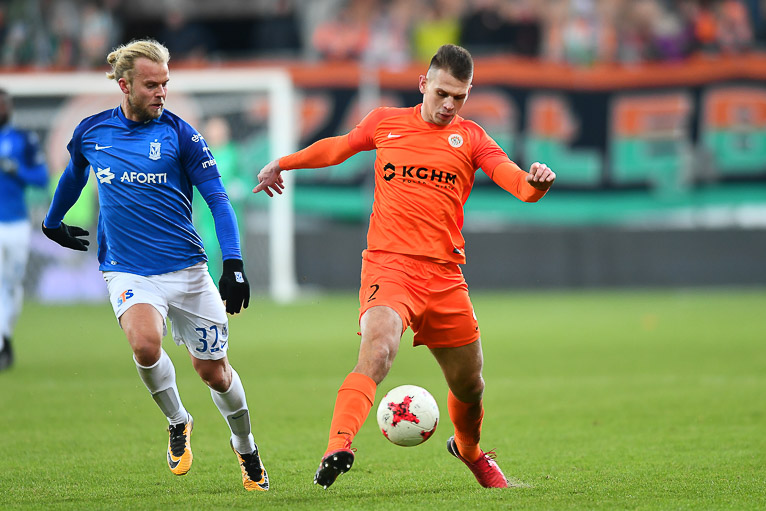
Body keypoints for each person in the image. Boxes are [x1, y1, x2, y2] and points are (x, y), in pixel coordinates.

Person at [254, 43, 556, 489]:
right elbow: (338, 148)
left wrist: (536, 184)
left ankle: (469, 450)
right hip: (389, 267)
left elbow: (516, 182)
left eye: (459, 97)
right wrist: (283, 163)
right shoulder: (386, 123)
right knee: (377, 351)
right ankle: (338, 446)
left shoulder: (472, 138)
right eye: (441, 93)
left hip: (445, 276)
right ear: (422, 84)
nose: (449, 105)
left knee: (470, 385)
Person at [41, 39, 268, 492]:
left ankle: (245, 447)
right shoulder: (91, 132)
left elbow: (218, 199)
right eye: (151, 85)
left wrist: (234, 263)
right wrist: (52, 221)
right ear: (124, 85)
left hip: (187, 271)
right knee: (145, 346)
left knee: (215, 373)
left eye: (165, 83)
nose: (161, 92)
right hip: (127, 269)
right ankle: (178, 420)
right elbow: (73, 175)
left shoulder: (182, 135)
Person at [0, 88, 49, 371]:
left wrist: (16, 170)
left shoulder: (23, 139)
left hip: (17, 223)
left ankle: (5, 335)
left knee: (12, 285)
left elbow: (41, 178)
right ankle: (2, 343)